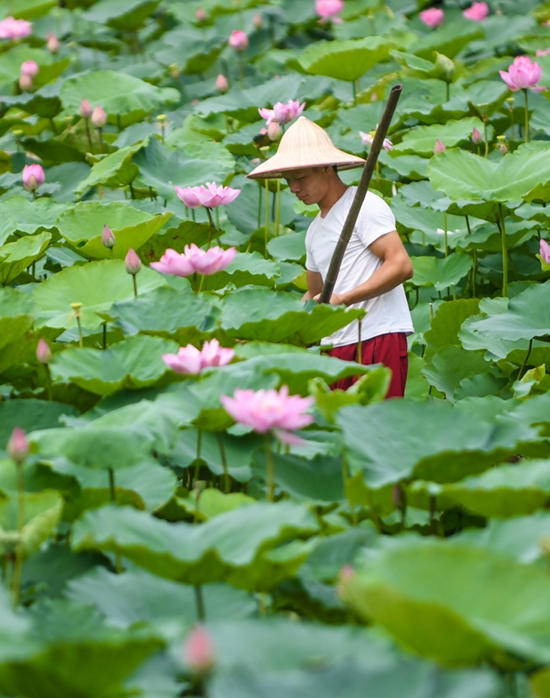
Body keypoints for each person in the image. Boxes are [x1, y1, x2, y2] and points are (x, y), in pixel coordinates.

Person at [248, 116, 414, 398]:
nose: (294, 189)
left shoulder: (363, 205)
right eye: (289, 181)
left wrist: (345, 298)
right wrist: (274, 329)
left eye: (300, 178)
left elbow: (401, 265)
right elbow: (315, 294)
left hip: (376, 335)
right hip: (334, 344)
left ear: (326, 167)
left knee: (377, 431)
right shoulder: (313, 231)